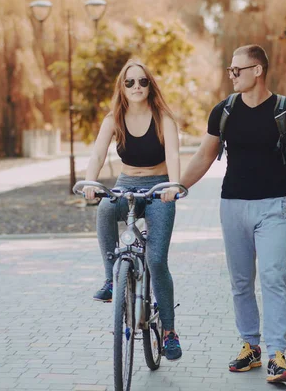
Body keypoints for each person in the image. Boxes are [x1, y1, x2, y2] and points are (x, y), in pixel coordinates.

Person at [180, 45, 286, 383]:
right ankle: (250, 346)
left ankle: (278, 355)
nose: (231, 75)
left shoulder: (285, 112)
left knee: (274, 278)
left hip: (273, 206)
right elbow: (204, 156)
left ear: (257, 70)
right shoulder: (224, 110)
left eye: (237, 70)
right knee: (241, 282)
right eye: (230, 70)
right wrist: (179, 187)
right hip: (232, 206)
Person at [82, 60, 183, 361]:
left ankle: (169, 332)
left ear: (150, 85)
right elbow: (98, 152)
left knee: (155, 259)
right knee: (104, 209)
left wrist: (173, 186)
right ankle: (111, 280)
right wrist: (90, 181)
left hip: (158, 189)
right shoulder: (114, 118)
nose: (136, 87)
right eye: (130, 83)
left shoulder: (163, 117)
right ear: (122, 88)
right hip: (126, 184)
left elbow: (173, 154)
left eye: (142, 82)